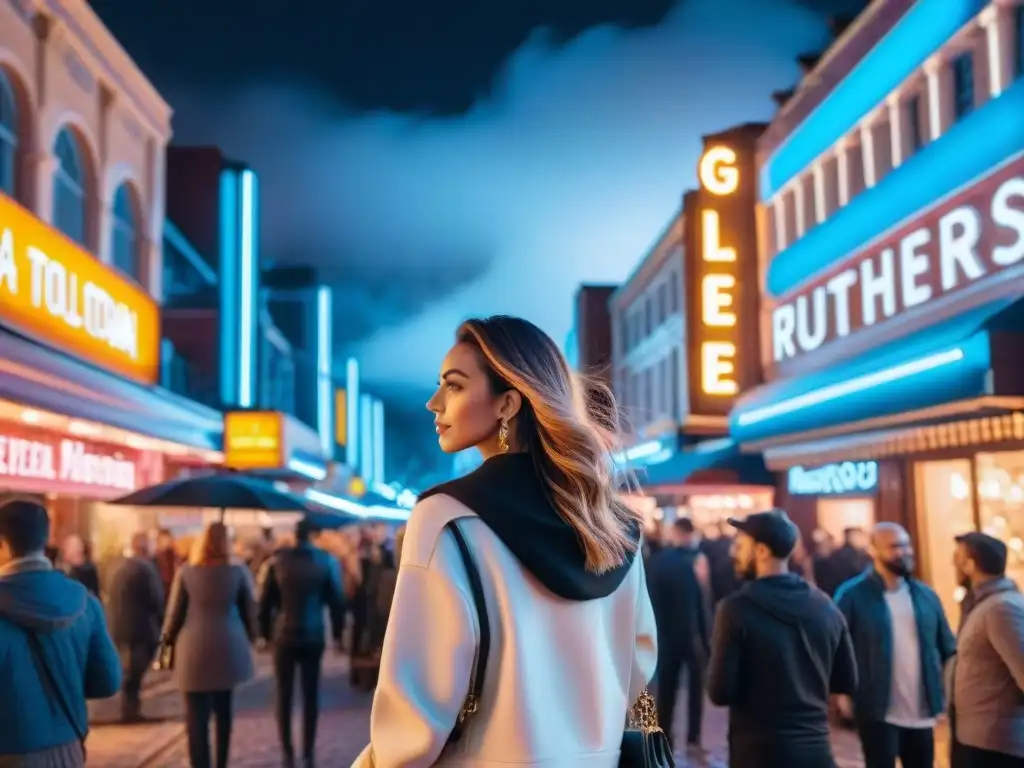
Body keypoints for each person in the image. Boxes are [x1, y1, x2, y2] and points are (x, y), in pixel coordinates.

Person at [353, 315, 657, 767]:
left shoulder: (446, 518)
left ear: (507, 404)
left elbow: (416, 714)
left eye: (454, 386)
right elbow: (638, 672)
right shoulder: (612, 526)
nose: (433, 403)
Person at [707, 509, 858, 768]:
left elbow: (720, 691)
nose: (734, 552)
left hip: (758, 753)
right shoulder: (825, 606)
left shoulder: (736, 609)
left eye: (741, 545)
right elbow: (847, 680)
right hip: (816, 752)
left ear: (762, 552)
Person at [0, 498, 121, 766]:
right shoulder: (85, 602)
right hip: (68, 750)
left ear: (3, 544)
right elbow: (107, 682)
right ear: (46, 539)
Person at [834, 523, 956, 768]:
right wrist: (840, 693)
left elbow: (947, 648)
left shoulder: (925, 595)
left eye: (906, 544)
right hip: (876, 709)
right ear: (873, 551)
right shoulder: (852, 595)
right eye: (895, 547)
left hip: (922, 711)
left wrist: (946, 693)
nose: (905, 551)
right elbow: (836, 647)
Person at [161, 522, 257, 768]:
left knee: (196, 720)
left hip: (193, 650)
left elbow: (174, 615)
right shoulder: (238, 572)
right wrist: (253, 638)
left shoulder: (186, 572)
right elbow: (249, 612)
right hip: (228, 648)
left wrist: (166, 642)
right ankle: (221, 763)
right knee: (224, 715)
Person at [257, 519, 346, 768]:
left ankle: (287, 752)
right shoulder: (325, 560)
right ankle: (308, 751)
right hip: (313, 633)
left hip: (284, 634)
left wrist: (264, 633)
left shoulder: (278, 561)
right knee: (310, 695)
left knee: (283, 695)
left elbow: (266, 602)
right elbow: (336, 601)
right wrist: (338, 635)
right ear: (313, 536)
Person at [950, 532, 1024, 767]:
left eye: (957, 557)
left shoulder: (1000, 608)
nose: (954, 563)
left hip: (994, 743)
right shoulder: (982, 604)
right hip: (977, 737)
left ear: (970, 565)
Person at [646, 517, 712, 754]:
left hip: (665, 636)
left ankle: (665, 739)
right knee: (696, 692)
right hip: (692, 637)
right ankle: (693, 740)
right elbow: (702, 604)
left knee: (666, 692)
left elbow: (650, 599)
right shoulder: (697, 561)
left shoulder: (658, 561)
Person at [106, 531, 165, 722]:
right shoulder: (145, 569)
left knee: (128, 670)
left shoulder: (116, 567)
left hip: (119, 626)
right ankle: (129, 711)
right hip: (141, 628)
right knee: (134, 673)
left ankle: (127, 709)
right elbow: (156, 599)